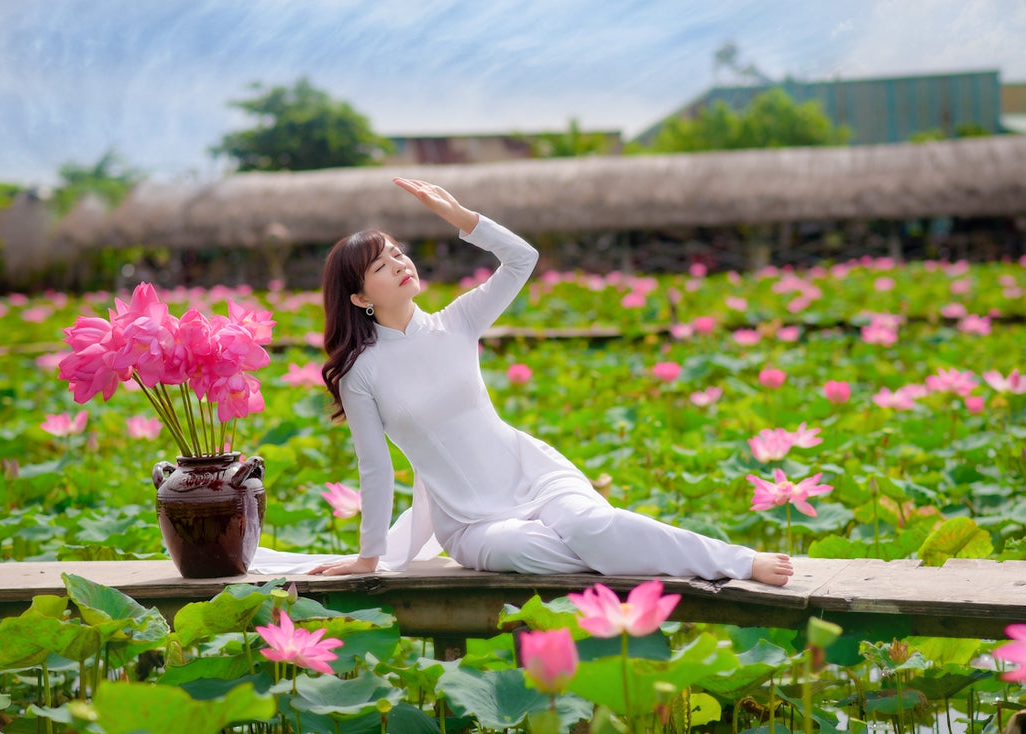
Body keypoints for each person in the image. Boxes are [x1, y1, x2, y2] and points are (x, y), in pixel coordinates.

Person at [249, 177, 793, 586]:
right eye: (380, 265)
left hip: (532, 473)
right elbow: (376, 469)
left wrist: (462, 217)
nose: (399, 264)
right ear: (361, 297)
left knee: (588, 527)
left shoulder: (457, 322)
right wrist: (370, 558)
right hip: (469, 521)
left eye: (397, 253)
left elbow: (521, 258)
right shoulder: (359, 374)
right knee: (526, 551)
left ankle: (737, 561)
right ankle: (649, 556)